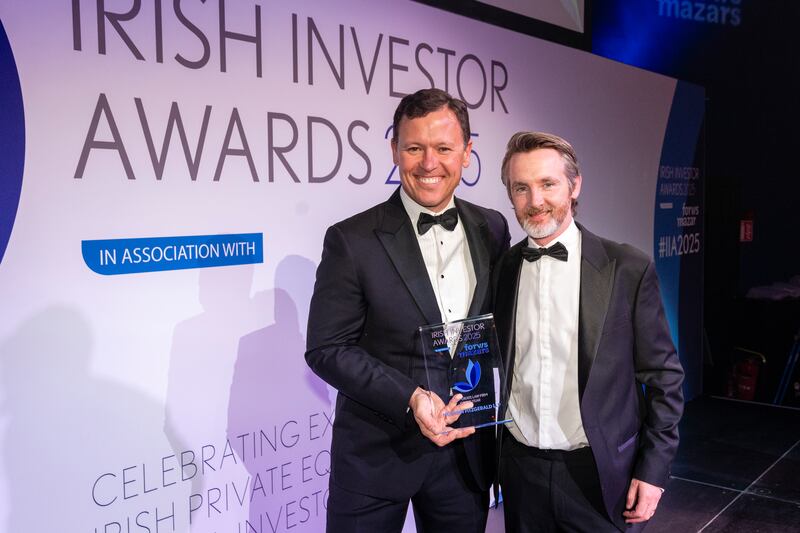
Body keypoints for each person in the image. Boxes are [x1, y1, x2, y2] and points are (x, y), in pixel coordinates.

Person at [305, 88, 510, 532]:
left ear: (467, 153)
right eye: (414, 147)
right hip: (377, 454)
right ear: (394, 150)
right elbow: (326, 348)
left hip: (465, 456)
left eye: (443, 148)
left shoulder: (492, 227)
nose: (429, 163)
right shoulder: (351, 239)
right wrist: (411, 398)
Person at [493, 132, 684, 532]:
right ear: (510, 194)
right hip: (521, 471)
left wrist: (654, 470)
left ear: (574, 184)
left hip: (600, 476)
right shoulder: (504, 268)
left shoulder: (627, 268)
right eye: (521, 188)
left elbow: (663, 377)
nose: (536, 201)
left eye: (548, 184)